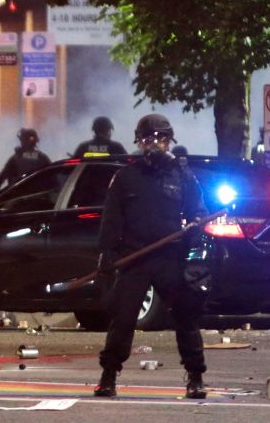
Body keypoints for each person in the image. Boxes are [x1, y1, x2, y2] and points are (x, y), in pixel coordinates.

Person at [94, 113, 207, 400]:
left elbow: (198, 211)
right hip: (135, 258)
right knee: (123, 319)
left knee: (185, 316)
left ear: (168, 141)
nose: (153, 145)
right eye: (147, 139)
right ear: (139, 142)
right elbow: (111, 219)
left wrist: (196, 227)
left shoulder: (182, 175)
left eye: (159, 139)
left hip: (170, 257)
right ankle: (108, 375)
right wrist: (106, 252)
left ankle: (195, 376)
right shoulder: (126, 177)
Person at [0, 128, 51, 194]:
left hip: (17, 199)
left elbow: (0, 180)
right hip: (39, 199)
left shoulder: (15, 159)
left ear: (22, 141)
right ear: (36, 142)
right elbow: (53, 179)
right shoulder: (43, 158)